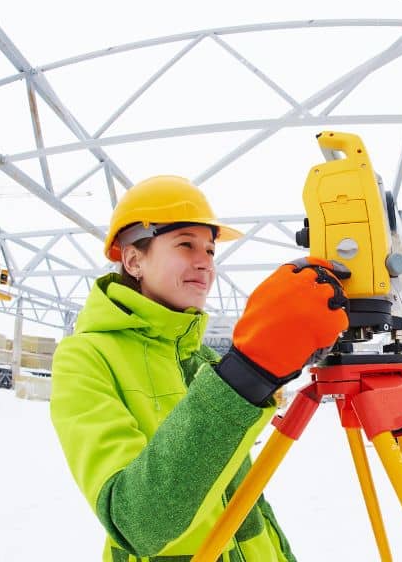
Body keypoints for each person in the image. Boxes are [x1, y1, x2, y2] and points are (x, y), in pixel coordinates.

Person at [50, 175, 348, 562]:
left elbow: (244, 499)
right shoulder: (84, 357)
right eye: (185, 244)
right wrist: (248, 371)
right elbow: (136, 522)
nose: (204, 262)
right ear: (134, 260)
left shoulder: (201, 357)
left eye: (209, 250)